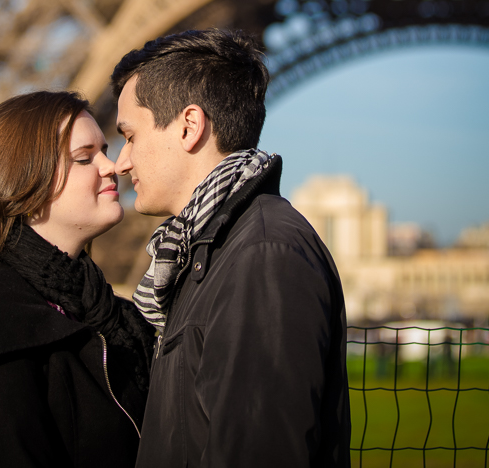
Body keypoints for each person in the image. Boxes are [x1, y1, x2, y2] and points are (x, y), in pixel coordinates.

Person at [112, 28, 351, 467]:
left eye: (129, 136)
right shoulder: (204, 255)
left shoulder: (262, 254)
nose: (120, 162)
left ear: (189, 126)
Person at [0, 90, 154, 468]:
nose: (111, 166)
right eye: (85, 158)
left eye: (105, 150)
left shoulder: (116, 317)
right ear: (24, 186)